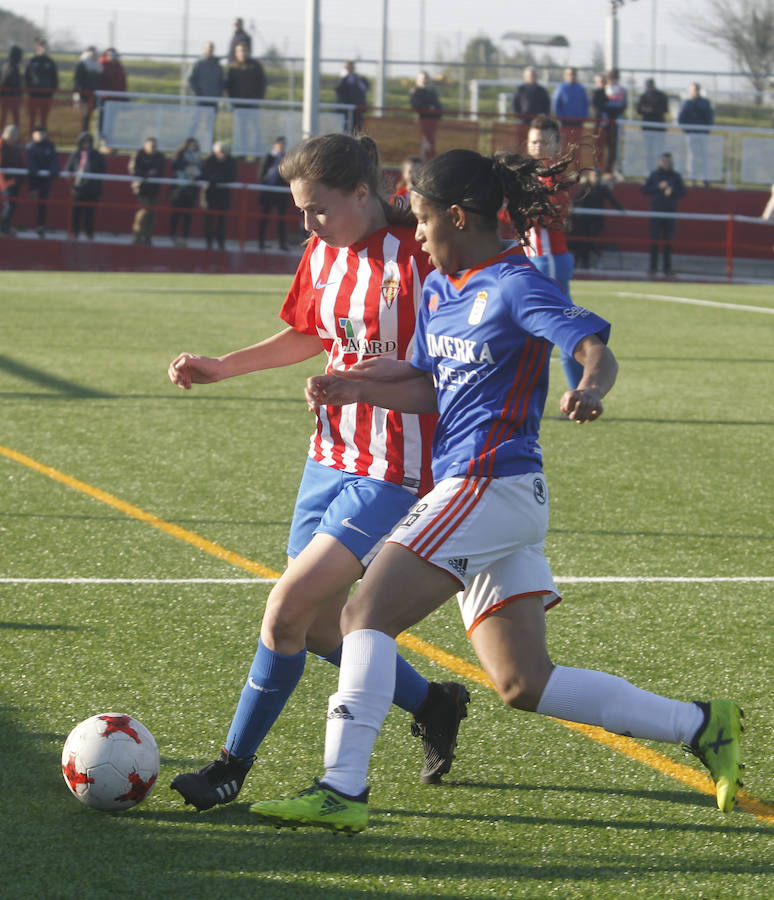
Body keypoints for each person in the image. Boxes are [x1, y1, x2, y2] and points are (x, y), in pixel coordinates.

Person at [248, 146, 744, 834]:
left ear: (457, 215)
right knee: (521, 682)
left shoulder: (515, 284)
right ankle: (701, 724)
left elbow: (592, 346)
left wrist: (587, 388)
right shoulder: (443, 290)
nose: (416, 236)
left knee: (364, 615)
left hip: (490, 484)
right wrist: (355, 385)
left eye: (422, 220)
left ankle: (342, 788)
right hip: (487, 499)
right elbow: (430, 385)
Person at [167, 133, 470, 812]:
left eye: (318, 210)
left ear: (363, 194)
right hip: (329, 455)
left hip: (398, 467)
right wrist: (222, 366)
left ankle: (229, 769)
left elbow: (451, 359)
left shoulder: (418, 255)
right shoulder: (320, 252)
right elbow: (312, 333)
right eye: (300, 211)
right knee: (320, 625)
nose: (307, 224)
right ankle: (435, 703)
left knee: (284, 613)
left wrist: (369, 383)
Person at [521, 114, 582, 390]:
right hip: (534, 259)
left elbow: (549, 216)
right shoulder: (529, 175)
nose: (538, 147)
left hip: (549, 260)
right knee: (525, 330)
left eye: (545, 142)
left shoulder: (554, 178)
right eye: (534, 142)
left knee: (563, 328)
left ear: (557, 145)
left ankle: (581, 389)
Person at [568, 167, 623, 268]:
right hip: (583, 221)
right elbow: (576, 200)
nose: (596, 178)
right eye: (594, 176)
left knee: (589, 243)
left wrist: (622, 210)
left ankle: (584, 264)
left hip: (595, 222)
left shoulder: (602, 189)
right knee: (582, 243)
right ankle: (581, 264)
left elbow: (612, 200)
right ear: (590, 177)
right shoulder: (585, 188)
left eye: (598, 176)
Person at [642, 151, 686, 277]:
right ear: (660, 162)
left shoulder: (675, 176)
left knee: (668, 242)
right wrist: (658, 187)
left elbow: (683, 193)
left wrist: (672, 192)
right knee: (654, 241)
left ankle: (667, 269)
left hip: (670, 213)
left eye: (668, 161)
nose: (666, 163)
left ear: (671, 163)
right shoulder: (655, 175)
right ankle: (653, 268)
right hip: (656, 213)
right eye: (663, 161)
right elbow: (645, 189)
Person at [226, 43, 266, 157]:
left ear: (248, 52)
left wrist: (258, 98)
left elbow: (262, 82)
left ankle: (256, 154)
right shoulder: (233, 67)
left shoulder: (255, 66)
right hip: (239, 104)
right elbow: (230, 85)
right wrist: (233, 100)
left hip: (253, 103)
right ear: (236, 53)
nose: (242, 53)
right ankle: (241, 154)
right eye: (240, 51)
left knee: (255, 130)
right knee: (240, 130)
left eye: (244, 50)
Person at [65, 131, 105, 239]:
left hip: (92, 189)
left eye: (88, 142)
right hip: (78, 189)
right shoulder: (76, 155)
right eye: (84, 142)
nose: (86, 144)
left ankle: (89, 232)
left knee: (90, 213)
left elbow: (103, 169)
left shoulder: (97, 156)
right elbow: (68, 169)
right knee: (76, 212)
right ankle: (75, 232)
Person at [128, 136, 165, 245]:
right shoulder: (139, 154)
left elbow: (160, 170)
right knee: (144, 211)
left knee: (152, 213)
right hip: (141, 188)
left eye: (155, 146)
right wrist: (146, 174)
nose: (153, 148)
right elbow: (134, 170)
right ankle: (137, 235)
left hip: (154, 188)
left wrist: (151, 173)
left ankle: (148, 237)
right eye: (151, 145)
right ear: (145, 146)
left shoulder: (160, 156)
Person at [201, 140, 237, 249]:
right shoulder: (209, 161)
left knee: (222, 220)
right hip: (210, 194)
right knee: (209, 219)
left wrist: (217, 179)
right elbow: (206, 175)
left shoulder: (231, 162)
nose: (221, 154)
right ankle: (208, 242)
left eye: (223, 151)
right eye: (219, 152)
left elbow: (232, 176)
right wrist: (219, 179)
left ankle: (221, 242)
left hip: (224, 195)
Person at [26, 124, 59, 238]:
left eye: (42, 133)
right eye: (38, 133)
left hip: (45, 180)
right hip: (31, 180)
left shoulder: (50, 146)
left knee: (42, 203)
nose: (40, 135)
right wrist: (34, 171)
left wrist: (53, 171)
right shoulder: (30, 146)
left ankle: (40, 226)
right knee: (24, 203)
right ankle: (23, 225)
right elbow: (30, 161)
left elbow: (54, 160)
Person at [678, 83, 714, 187]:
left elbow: (710, 117)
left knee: (704, 156)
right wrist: (687, 130)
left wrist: (707, 130)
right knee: (692, 156)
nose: (696, 91)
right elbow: (682, 118)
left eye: (697, 89)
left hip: (703, 133)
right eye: (694, 89)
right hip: (692, 133)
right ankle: (692, 178)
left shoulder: (705, 103)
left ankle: (704, 179)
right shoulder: (687, 103)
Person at [169, 137, 203, 247]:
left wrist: (196, 177)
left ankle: (184, 237)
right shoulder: (180, 155)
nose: (193, 147)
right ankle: (172, 235)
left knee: (187, 215)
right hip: (179, 188)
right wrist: (186, 164)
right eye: (190, 145)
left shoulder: (198, 158)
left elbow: (201, 173)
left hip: (191, 189)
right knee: (176, 213)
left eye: (194, 145)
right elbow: (174, 166)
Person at [257, 135, 289, 250]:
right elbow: (260, 175)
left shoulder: (286, 158)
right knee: (264, 217)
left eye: (283, 145)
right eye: (280, 144)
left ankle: (282, 244)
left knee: (282, 219)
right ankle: (261, 242)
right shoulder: (268, 157)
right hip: (268, 192)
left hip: (281, 193)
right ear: (275, 145)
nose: (282, 147)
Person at [188, 41, 224, 139]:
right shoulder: (198, 64)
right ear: (204, 50)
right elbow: (191, 79)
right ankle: (187, 146)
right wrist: (198, 92)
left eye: (211, 48)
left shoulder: (217, 66)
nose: (210, 50)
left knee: (210, 127)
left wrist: (218, 94)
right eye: (207, 48)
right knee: (194, 124)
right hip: (200, 100)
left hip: (212, 100)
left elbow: (222, 82)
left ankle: (208, 149)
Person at [24, 38, 58, 136]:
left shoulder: (50, 62)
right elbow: (27, 77)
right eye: (41, 46)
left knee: (44, 118)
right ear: (37, 47)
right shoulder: (32, 61)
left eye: (45, 46)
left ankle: (43, 137)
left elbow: (54, 79)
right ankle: (31, 137)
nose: (44, 48)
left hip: (46, 96)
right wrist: (29, 91)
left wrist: (51, 92)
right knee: (32, 118)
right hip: (33, 96)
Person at [636, 78, 668, 173]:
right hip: (647, 129)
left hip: (659, 128)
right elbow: (639, 109)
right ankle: (650, 170)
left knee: (659, 151)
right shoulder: (644, 96)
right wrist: (646, 109)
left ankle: (660, 169)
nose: (648, 87)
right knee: (648, 151)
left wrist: (652, 110)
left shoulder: (661, 96)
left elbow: (664, 109)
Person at [410, 71, 443, 161]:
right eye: (423, 78)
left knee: (430, 145)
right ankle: (422, 164)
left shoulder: (432, 91)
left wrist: (435, 111)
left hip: (432, 123)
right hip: (422, 122)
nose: (425, 80)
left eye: (426, 78)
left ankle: (429, 162)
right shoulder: (416, 91)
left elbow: (438, 106)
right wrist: (429, 109)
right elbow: (417, 106)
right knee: (423, 144)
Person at [98, 48, 128, 140]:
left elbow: (122, 82)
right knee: (103, 120)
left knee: (111, 121)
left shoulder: (119, 67)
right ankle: (101, 139)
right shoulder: (102, 65)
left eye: (115, 55)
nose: (114, 58)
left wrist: (124, 96)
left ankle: (108, 139)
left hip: (116, 98)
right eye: (111, 55)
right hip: (105, 98)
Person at [0, 123, 24, 235]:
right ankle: (4, 228)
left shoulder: (15, 146)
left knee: (11, 205)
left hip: (14, 181)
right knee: (9, 205)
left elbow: (19, 162)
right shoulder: (2, 145)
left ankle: (6, 227)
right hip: (5, 181)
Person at [602, 68, 627, 177]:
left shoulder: (621, 90)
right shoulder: (605, 89)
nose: (613, 81)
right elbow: (601, 104)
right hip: (606, 121)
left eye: (615, 78)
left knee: (615, 145)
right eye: (611, 78)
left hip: (616, 121)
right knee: (604, 144)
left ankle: (613, 168)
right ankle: (604, 168)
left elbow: (623, 105)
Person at [73, 46, 101, 132]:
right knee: (84, 115)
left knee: (92, 115)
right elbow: (77, 80)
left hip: (94, 94)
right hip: (84, 94)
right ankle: (83, 132)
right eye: (90, 51)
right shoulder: (82, 64)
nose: (92, 53)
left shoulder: (97, 65)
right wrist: (77, 93)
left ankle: (89, 132)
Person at [335, 61, 369, 134]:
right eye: (348, 68)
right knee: (346, 127)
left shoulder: (360, 79)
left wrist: (357, 80)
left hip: (357, 108)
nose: (350, 69)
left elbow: (365, 89)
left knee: (357, 128)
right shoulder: (343, 79)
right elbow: (338, 90)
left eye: (351, 67)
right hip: (345, 108)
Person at [0, 46, 23, 132]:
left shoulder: (6, 65)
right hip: (11, 96)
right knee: (13, 117)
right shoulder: (12, 66)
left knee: (5, 116)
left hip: (7, 96)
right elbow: (10, 80)